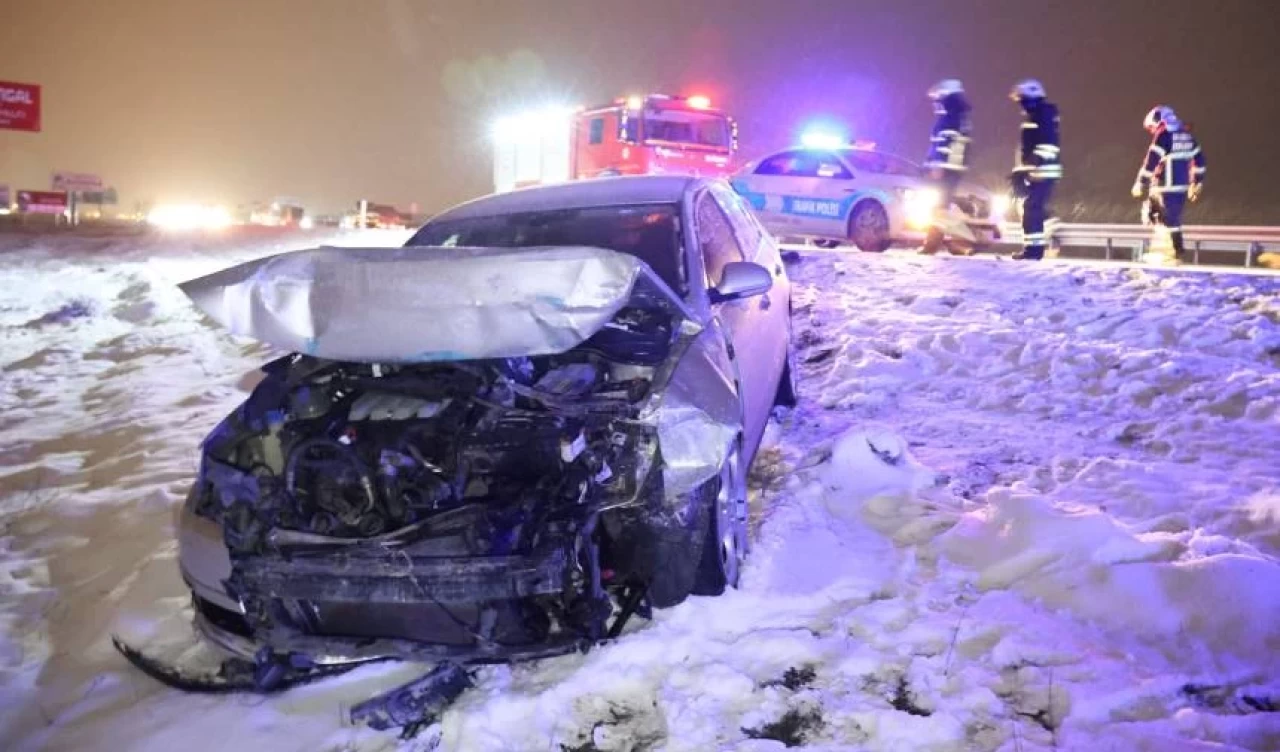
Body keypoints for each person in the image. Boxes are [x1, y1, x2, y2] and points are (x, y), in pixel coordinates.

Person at [1132, 106, 1206, 263]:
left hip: (1164, 184)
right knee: (1172, 218)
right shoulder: (1186, 135)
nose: (1152, 131)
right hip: (1181, 187)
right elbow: (1199, 159)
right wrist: (1197, 182)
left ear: (1158, 121)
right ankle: (1175, 250)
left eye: (1152, 127)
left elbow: (1151, 160)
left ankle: (1172, 251)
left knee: (1157, 215)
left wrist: (1141, 182)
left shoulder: (1164, 135)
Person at [1009, 79, 1063, 260]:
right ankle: (1033, 249)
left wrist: (1033, 166)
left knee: (1032, 208)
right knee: (1031, 208)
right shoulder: (1038, 115)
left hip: (1043, 171)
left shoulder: (1042, 114)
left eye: (1022, 99)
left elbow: (1047, 144)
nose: (1021, 103)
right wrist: (1020, 171)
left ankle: (1034, 251)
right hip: (1037, 171)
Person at [921, 79, 972, 254]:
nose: (935, 102)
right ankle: (949, 242)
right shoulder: (957, 115)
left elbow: (944, 143)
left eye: (938, 97)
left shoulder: (950, 117)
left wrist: (938, 165)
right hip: (952, 167)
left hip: (946, 168)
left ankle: (943, 243)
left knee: (939, 207)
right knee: (942, 207)